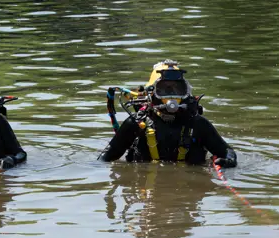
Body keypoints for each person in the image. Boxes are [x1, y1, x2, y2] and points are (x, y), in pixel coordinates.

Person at [98, 59, 237, 168]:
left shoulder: (198, 125)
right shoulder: (136, 124)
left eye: (178, 89)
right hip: (147, 196)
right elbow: (106, 158)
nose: (172, 96)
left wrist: (229, 161)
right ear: (151, 92)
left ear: (186, 92)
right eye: (165, 89)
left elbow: (226, 151)